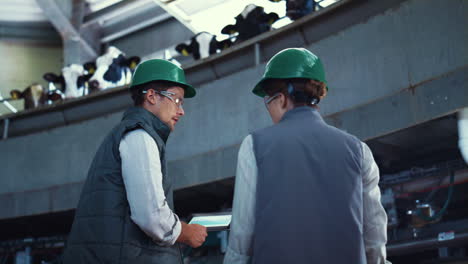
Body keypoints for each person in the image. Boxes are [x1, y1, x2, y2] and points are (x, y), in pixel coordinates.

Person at [223, 48, 389, 264]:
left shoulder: (254, 146)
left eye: (268, 101)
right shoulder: (359, 150)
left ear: (281, 99)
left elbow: (242, 235)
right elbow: (374, 232)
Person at [62, 59, 207, 263]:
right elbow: (152, 217)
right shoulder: (140, 136)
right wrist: (186, 232)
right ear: (151, 96)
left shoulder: (130, 133)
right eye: (177, 100)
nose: (181, 111)